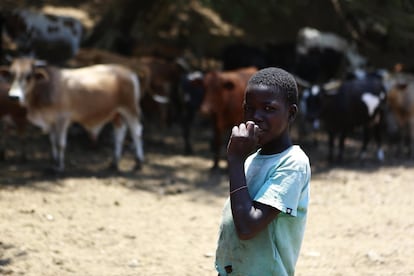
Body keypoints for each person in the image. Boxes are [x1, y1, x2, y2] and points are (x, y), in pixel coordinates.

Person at [215, 67, 311, 276]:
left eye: (268, 108)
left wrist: (234, 159)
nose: (256, 116)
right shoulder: (251, 160)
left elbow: (247, 227)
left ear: (291, 113)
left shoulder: (293, 163)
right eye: (249, 109)